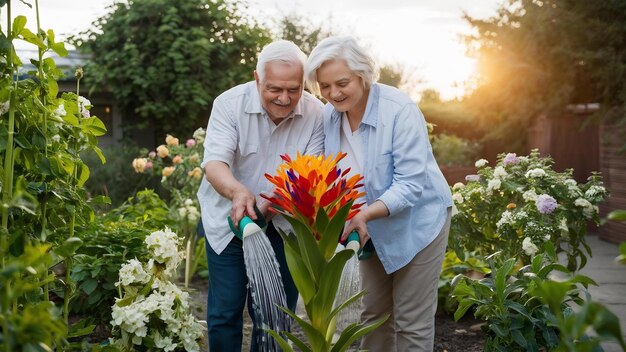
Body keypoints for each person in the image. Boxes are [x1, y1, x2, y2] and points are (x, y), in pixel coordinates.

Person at [304, 36, 453, 352]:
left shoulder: (399, 110)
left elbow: (411, 184)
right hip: (367, 224)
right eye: (325, 86)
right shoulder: (330, 118)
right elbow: (324, 173)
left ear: (362, 73)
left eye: (342, 83)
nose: (333, 93)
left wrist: (365, 214)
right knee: (372, 314)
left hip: (419, 222)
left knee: (411, 321)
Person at [197, 40, 324, 351]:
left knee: (275, 315)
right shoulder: (229, 104)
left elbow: (310, 173)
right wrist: (239, 192)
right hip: (230, 221)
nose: (284, 98)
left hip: (285, 224)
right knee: (225, 312)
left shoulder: (318, 113)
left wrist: (274, 199)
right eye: (274, 89)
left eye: (293, 89)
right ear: (257, 79)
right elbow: (215, 163)